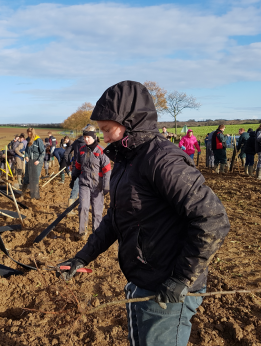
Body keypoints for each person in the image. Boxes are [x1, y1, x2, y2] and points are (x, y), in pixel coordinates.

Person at [58, 81, 230, 346]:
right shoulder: (126, 160)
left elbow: (213, 219)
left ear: (130, 122)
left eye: (106, 129)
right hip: (142, 279)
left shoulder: (164, 160)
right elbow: (116, 219)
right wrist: (82, 257)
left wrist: (181, 279)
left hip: (168, 290)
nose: (103, 137)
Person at [69, 124, 111, 239]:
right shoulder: (82, 150)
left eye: (88, 137)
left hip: (98, 185)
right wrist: (73, 179)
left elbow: (107, 170)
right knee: (83, 207)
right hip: (84, 184)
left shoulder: (102, 151)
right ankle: (82, 232)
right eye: (85, 137)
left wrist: (106, 186)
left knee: (97, 211)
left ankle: (96, 233)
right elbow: (77, 166)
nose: (86, 139)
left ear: (94, 137)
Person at [63, 135, 85, 213]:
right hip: (87, 168)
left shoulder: (75, 142)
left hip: (75, 167)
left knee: (75, 187)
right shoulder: (89, 141)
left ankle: (70, 210)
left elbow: (66, 153)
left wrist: (69, 163)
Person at [22, 128, 45, 199]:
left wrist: (38, 160)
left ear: (33, 133)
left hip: (36, 162)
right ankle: (22, 194)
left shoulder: (38, 140)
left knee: (34, 179)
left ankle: (35, 196)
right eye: (28, 133)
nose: (29, 134)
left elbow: (43, 152)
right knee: (26, 177)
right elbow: (26, 150)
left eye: (30, 133)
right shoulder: (28, 140)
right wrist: (26, 156)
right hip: (29, 161)